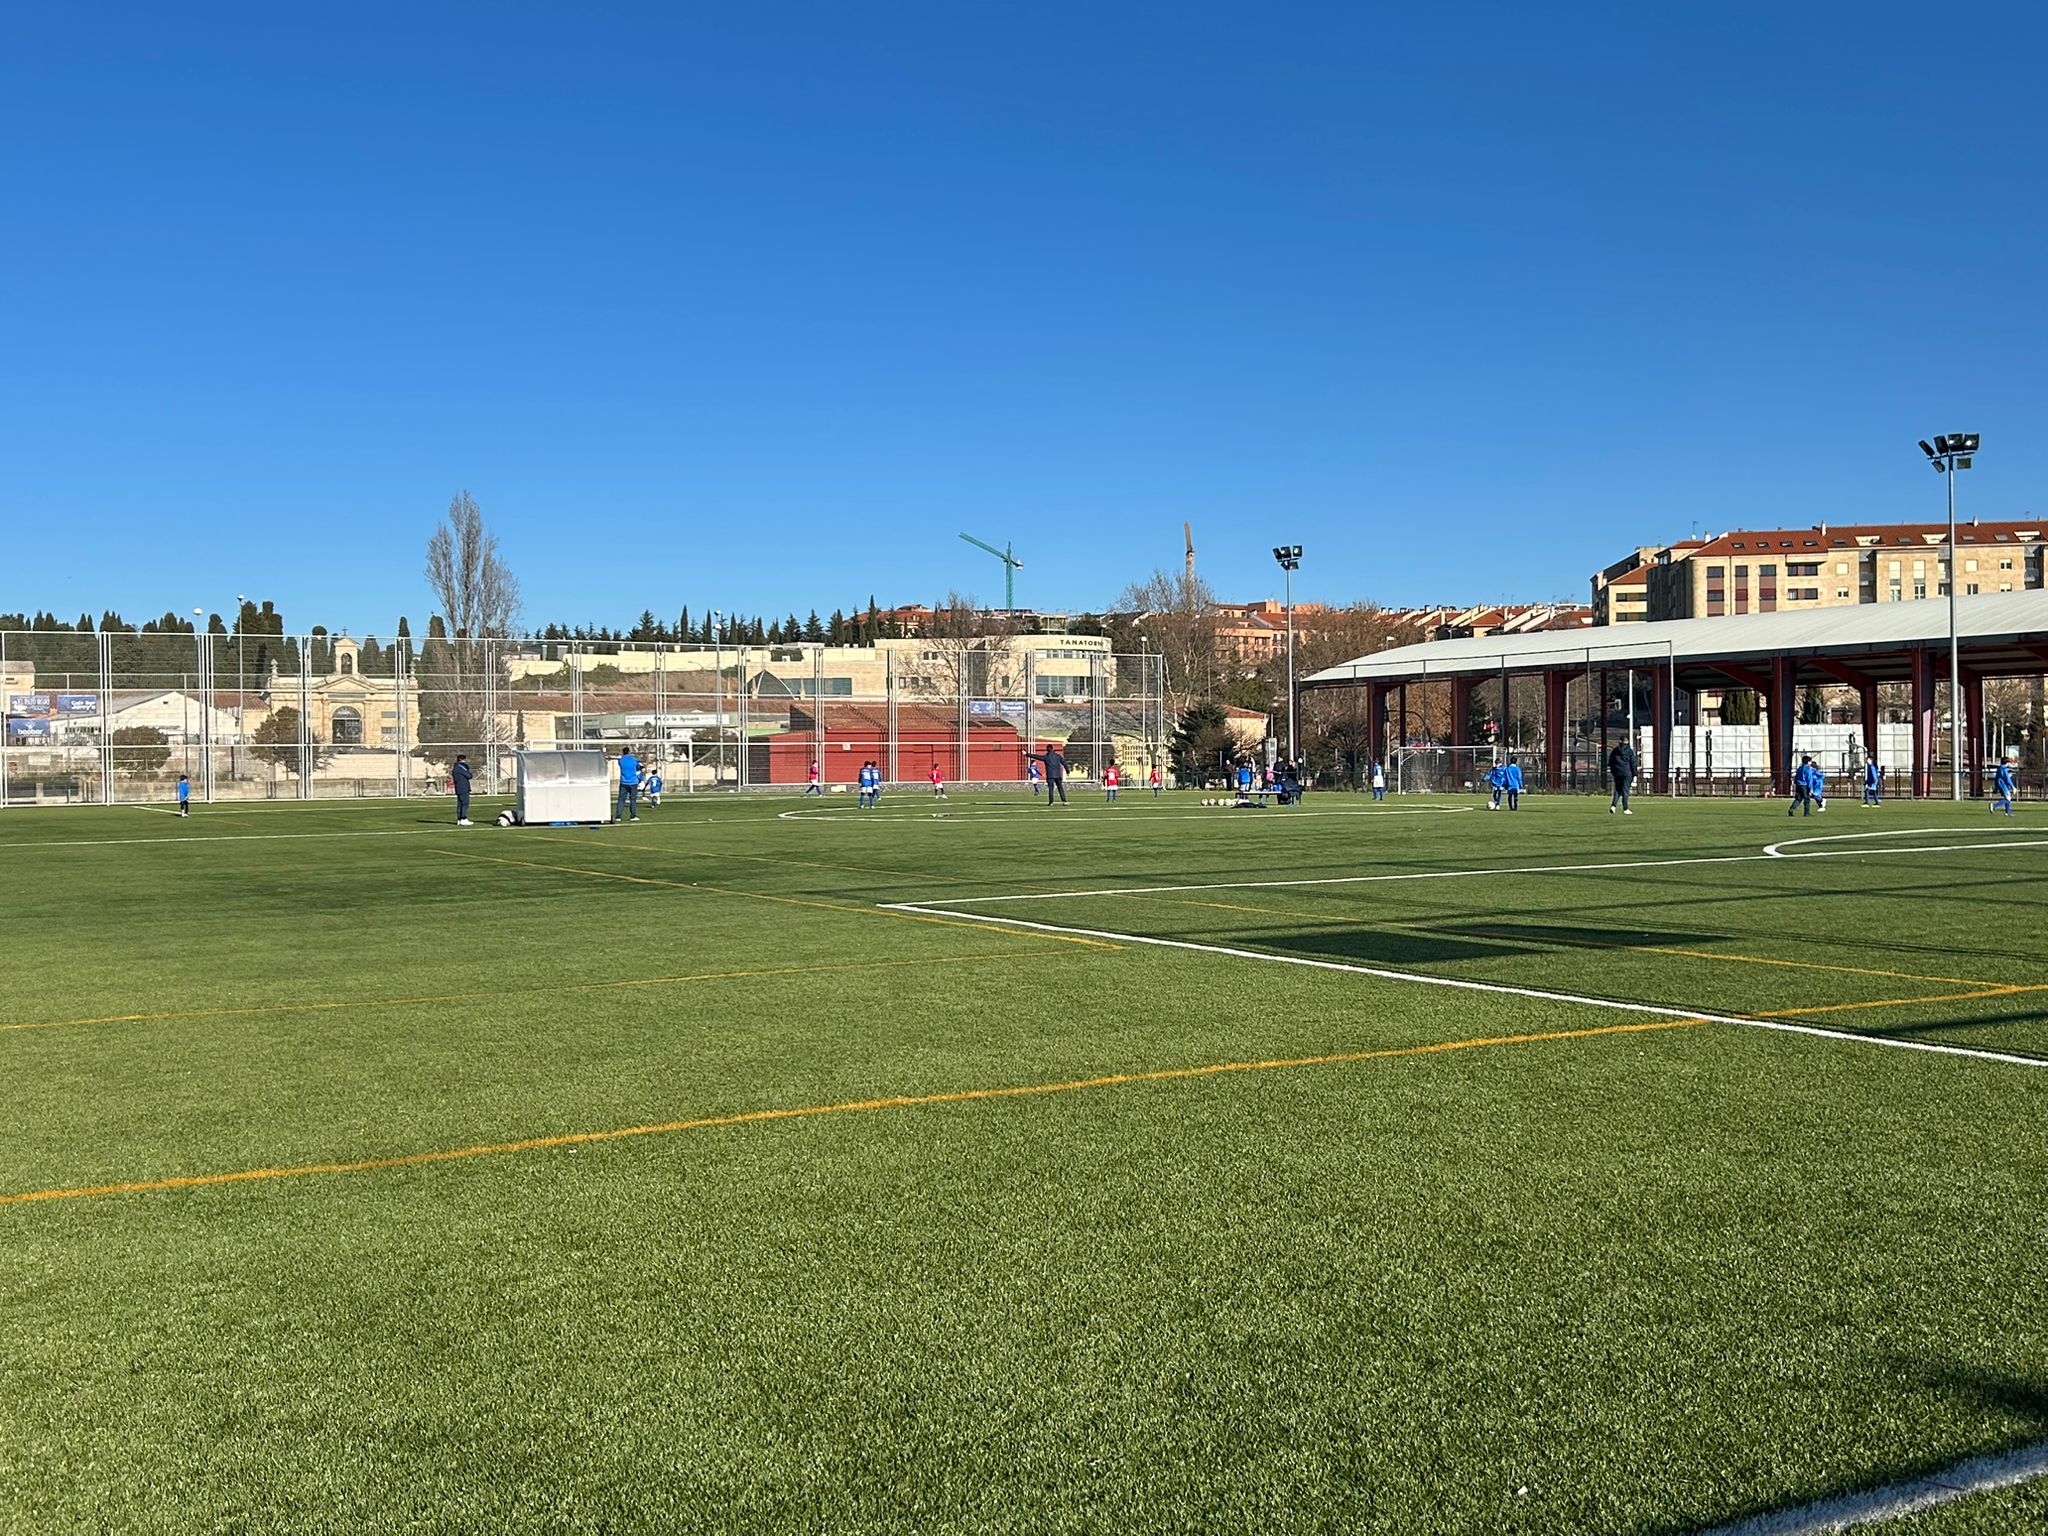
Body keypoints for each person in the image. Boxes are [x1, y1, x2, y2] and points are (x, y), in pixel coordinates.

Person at [1025, 742, 1068, 807]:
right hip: (1058, 775)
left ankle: (1051, 802)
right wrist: (1068, 771)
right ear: (1052, 749)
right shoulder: (1058, 756)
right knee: (1060, 788)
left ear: (1047, 750)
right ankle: (1064, 801)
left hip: (1050, 776)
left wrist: (1027, 754)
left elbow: (1037, 756)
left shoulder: (1046, 757)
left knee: (1051, 789)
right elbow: (1064, 763)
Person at [1607, 740, 1636, 814]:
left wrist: (1613, 771)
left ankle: (1613, 806)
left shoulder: (1615, 751)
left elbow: (1611, 762)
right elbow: (1633, 763)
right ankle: (1625, 808)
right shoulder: (1629, 751)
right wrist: (1634, 773)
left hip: (1617, 773)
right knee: (1625, 791)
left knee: (1617, 790)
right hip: (1627, 773)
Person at [615, 747, 641, 822]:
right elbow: (638, 767)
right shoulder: (634, 760)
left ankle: (618, 816)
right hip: (633, 782)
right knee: (633, 800)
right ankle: (633, 816)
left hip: (623, 782)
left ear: (623, 752)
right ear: (629, 752)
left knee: (621, 800)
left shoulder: (621, 760)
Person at [453, 753, 473, 826]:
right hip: (463, 787)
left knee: (460, 804)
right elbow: (469, 775)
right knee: (465, 803)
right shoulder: (460, 767)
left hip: (459, 787)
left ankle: (459, 819)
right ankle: (463, 818)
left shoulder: (456, 767)